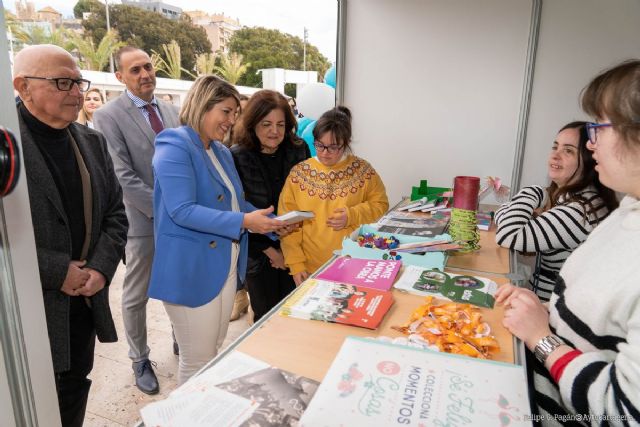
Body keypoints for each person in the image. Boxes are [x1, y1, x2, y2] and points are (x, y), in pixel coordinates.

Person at [496, 59, 640, 424]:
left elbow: (622, 413)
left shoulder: (580, 207)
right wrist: (546, 313)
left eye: (600, 128)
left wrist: (541, 338)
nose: (593, 144)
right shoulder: (625, 213)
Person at [12, 44, 128, 427]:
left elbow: (115, 214)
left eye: (78, 82)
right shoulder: (6, 147)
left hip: (82, 306)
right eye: (63, 82)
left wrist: (99, 269)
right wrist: (56, 271)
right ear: (23, 87)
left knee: (73, 390)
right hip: (25, 311)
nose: (77, 93)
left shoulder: (90, 142)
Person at [148, 75, 285, 385]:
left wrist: (271, 222)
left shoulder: (222, 152)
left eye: (235, 113)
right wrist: (244, 222)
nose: (232, 120)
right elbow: (182, 210)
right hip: (192, 270)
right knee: (197, 362)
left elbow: (233, 204)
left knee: (211, 353)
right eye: (226, 111)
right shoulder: (174, 143)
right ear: (202, 105)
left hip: (224, 265)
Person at [93, 46, 180, 395]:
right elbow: (122, 176)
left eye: (147, 66)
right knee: (137, 295)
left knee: (175, 283)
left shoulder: (172, 110)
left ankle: (180, 336)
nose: (144, 74)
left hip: (179, 219)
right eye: (134, 70)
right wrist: (166, 211)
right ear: (120, 77)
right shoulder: (108, 116)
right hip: (143, 221)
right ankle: (140, 359)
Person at [494, 121, 617, 301]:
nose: (555, 155)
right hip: (546, 301)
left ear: (590, 159)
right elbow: (507, 220)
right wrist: (513, 214)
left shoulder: (578, 211)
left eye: (568, 150)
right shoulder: (583, 198)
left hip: (550, 309)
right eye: (555, 147)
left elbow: (507, 235)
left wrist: (534, 192)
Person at [278, 106, 389, 285]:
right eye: (319, 145)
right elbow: (287, 222)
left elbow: (381, 206)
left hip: (355, 263)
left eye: (333, 147)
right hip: (311, 268)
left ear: (345, 143)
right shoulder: (299, 174)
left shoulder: (363, 171)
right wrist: (296, 264)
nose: (324, 153)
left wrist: (352, 215)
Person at [231, 89, 311, 322]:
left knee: (298, 313)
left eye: (280, 124)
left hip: (297, 248)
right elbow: (237, 210)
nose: (274, 131)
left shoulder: (298, 149)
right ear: (252, 123)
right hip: (259, 254)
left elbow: (306, 198)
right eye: (266, 124)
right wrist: (271, 251)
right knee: (267, 319)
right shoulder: (237, 156)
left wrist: (290, 248)